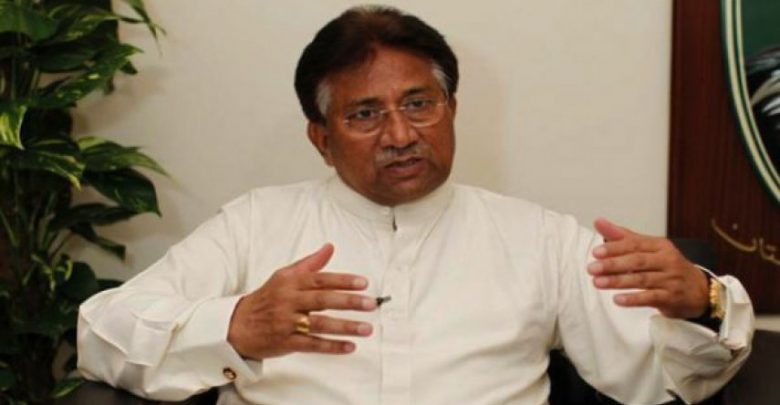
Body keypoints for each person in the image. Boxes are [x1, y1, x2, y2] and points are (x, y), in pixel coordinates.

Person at [77, 5, 754, 405]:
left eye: (419, 104)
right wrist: (236, 326)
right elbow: (102, 333)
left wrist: (702, 303)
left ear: (451, 109)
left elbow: (661, 379)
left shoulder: (539, 238)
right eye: (365, 114)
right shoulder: (256, 223)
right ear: (321, 139)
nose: (400, 134)